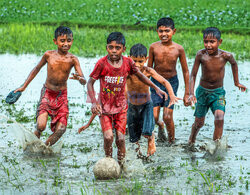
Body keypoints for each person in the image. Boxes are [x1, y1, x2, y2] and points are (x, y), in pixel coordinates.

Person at [87, 32, 167, 165]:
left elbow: (141, 76)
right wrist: (94, 102)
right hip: (105, 107)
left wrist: (156, 87)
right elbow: (90, 82)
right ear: (106, 47)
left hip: (122, 107)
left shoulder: (128, 62)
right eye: (110, 47)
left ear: (123, 49)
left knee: (120, 139)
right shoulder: (101, 64)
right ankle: (109, 162)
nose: (113, 51)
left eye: (117, 48)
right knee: (108, 137)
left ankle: (122, 164)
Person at [15, 26, 86, 146]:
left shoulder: (73, 59)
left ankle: (45, 147)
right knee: (41, 126)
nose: (66, 44)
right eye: (62, 41)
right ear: (55, 41)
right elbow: (36, 69)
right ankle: (34, 139)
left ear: (72, 41)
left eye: (69, 40)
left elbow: (83, 79)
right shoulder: (48, 55)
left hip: (61, 96)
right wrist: (23, 87)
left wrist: (80, 78)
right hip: (47, 93)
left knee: (61, 129)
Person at [188, 27, 247, 146]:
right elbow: (193, 75)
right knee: (199, 123)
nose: (208, 45)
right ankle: (191, 140)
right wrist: (191, 93)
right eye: (206, 41)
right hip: (203, 92)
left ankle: (215, 146)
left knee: (219, 118)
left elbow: (234, 64)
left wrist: (237, 82)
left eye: (212, 42)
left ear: (219, 42)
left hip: (218, 93)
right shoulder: (201, 55)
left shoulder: (226, 56)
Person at [127, 43, 181, 157]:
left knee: (147, 131)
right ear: (129, 58)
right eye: (134, 61)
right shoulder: (127, 72)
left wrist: (171, 95)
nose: (137, 65)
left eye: (140, 61)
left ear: (146, 59)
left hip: (146, 104)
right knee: (133, 137)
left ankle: (151, 139)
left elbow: (164, 82)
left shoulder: (148, 71)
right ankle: (139, 154)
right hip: (131, 106)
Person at [148, 17, 190, 144]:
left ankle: (171, 142)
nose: (164, 34)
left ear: (174, 31)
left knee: (167, 116)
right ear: (157, 32)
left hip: (172, 82)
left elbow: (185, 71)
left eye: (167, 31)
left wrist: (187, 92)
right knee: (155, 117)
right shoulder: (153, 47)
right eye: (161, 31)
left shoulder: (179, 49)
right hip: (156, 83)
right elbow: (149, 69)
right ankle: (160, 126)